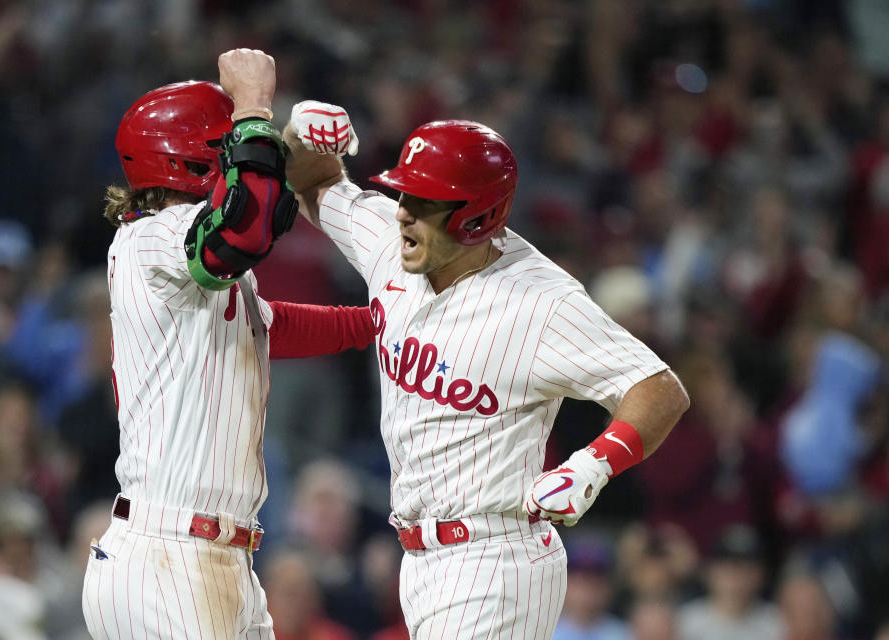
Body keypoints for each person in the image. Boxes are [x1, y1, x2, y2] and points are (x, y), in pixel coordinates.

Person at [282, 101, 690, 638]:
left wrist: (594, 465)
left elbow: (659, 388)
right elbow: (313, 185)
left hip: (494, 559)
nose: (402, 210)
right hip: (421, 558)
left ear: (476, 216)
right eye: (404, 192)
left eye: (423, 201)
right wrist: (298, 134)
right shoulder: (394, 242)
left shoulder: (542, 303)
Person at [82, 50, 376, 638]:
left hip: (202, 555)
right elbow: (243, 226)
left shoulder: (183, 261)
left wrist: (378, 320)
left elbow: (265, 326)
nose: (237, 160)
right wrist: (254, 106)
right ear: (186, 160)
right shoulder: (152, 239)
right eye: (227, 148)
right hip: (172, 558)